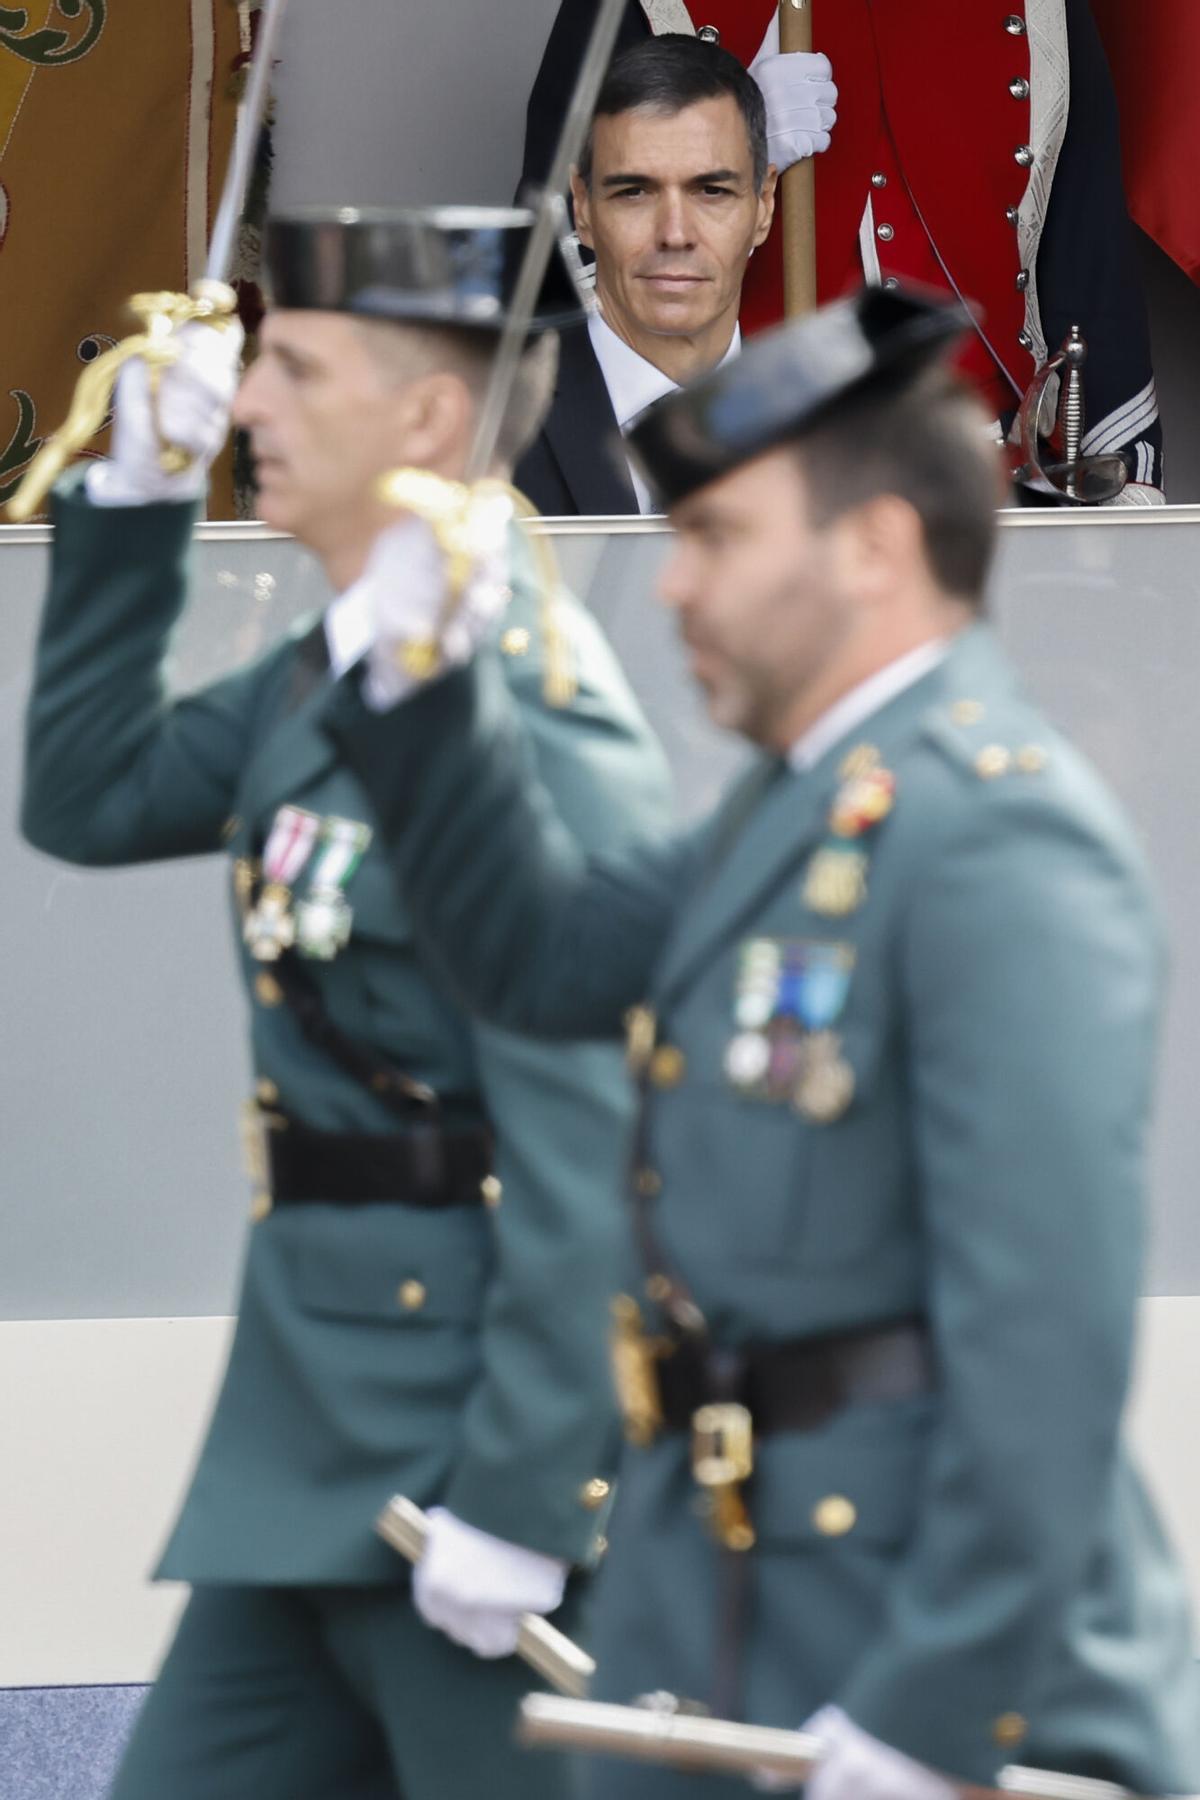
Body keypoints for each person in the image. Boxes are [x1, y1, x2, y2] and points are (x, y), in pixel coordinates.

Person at [322, 286, 1200, 1797]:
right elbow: (537, 959)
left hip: (907, 1641)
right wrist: (422, 686)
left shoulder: (998, 839)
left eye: (718, 538)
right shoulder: (798, 802)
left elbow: (1045, 1341)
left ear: (875, 549)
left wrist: (935, 1709)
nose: (673, 586)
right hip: (708, 1592)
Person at [20, 205, 672, 1800]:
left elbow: (597, 1150)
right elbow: (91, 795)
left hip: (463, 1470)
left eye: (298, 371)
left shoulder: (531, 718)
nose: (248, 402)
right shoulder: (339, 670)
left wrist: (529, 1498)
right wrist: (135, 506)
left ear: (431, 417)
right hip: (308, 1450)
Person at [522, 0, 1164, 503]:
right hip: (747, 481)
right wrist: (730, 147)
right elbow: (556, 261)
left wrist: (1121, 494)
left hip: (984, 489)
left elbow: (1088, 259)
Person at [515, 34, 824, 514]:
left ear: (765, 205)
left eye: (712, 191)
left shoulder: (837, 437)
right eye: (634, 192)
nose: (675, 234)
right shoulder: (483, 424)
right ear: (583, 208)